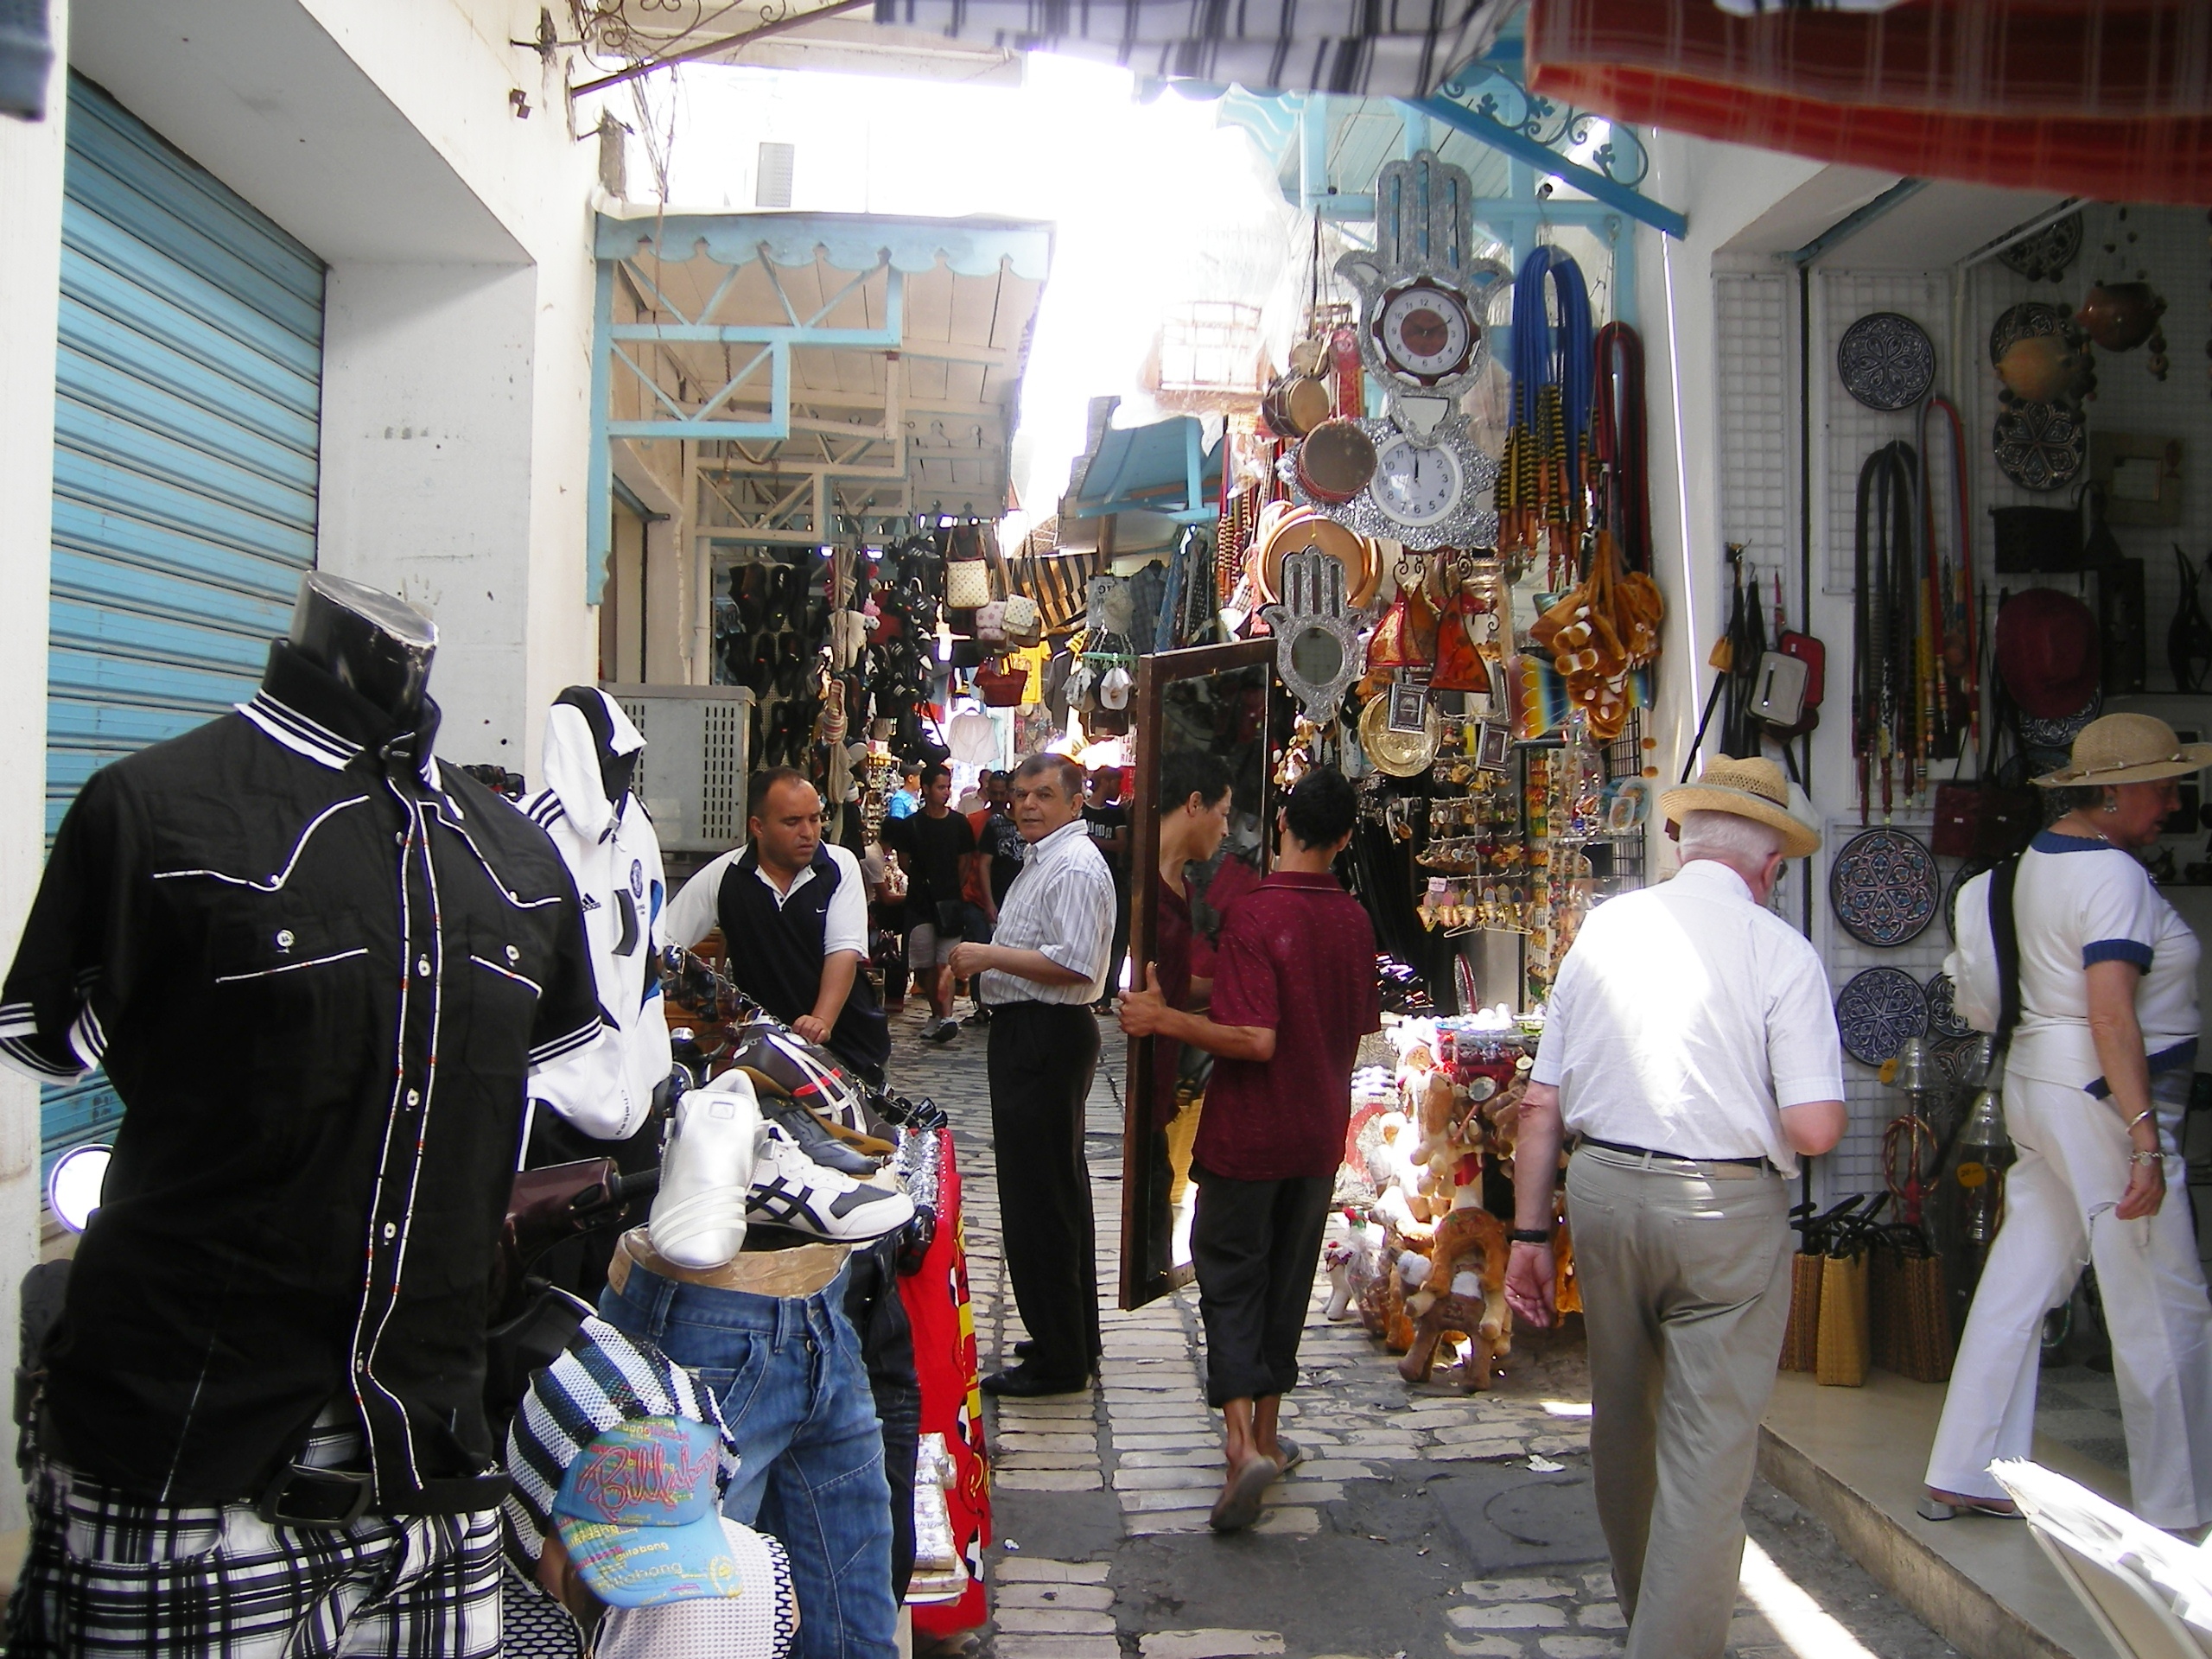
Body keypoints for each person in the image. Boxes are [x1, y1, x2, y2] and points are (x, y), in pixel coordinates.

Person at [1506, 754, 1844, 1659]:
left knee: (1624, 1420)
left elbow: (1540, 1105)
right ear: (1770, 862)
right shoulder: (1781, 952)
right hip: (1724, 1210)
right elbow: (1815, 1128)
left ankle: (1646, 1620)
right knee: (1708, 1451)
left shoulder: (1605, 931)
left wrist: (1529, 1233)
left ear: (1680, 843)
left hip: (1606, 1194)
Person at [1923, 714, 2212, 1531]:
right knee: (2159, 1293)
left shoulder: (2027, 866)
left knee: (2021, 1282)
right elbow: (2111, 1014)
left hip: (2039, 1081)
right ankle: (2180, 1506)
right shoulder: (2111, 876)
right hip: (2099, 1094)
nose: (2173, 804)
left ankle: (1968, 1467)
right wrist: (2145, 1136)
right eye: (2163, 788)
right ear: (2114, 794)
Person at [1118, 766, 1376, 1533]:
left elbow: (1255, 1036)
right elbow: (1339, 1020)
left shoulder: (1257, 912)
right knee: (1288, 1284)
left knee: (1231, 1278)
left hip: (1251, 1133)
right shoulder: (1354, 920)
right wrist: (1187, 997)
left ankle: (1239, 1447)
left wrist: (1163, 1021)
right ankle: (1267, 1435)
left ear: (1285, 822)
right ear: (1345, 839)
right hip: (1318, 1131)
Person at [947, 753, 1116, 1396]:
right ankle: (1067, 1335)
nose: (1028, 805)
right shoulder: (1045, 860)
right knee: (1052, 1192)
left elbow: (1075, 964)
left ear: (1075, 803)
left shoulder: (1072, 865)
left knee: (1040, 1198)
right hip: (1033, 1033)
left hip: (1045, 1034)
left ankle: (1060, 1357)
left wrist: (989, 956)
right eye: (1020, 794)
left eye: (1043, 795)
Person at [664, 767, 890, 1083]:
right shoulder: (725, 875)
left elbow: (843, 950)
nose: (808, 832)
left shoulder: (839, 866)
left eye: (815, 819)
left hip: (849, 1047)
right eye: (792, 822)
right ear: (758, 827)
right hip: (766, 1052)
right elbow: (662, 942)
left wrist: (821, 1020)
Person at [883, 762, 974, 1044]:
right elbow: (905, 862)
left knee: (945, 962)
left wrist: (952, 886)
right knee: (924, 964)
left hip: (949, 902)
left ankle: (946, 1016)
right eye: (940, 787)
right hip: (920, 903)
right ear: (925, 788)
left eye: (948, 787)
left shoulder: (958, 823)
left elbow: (965, 861)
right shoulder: (912, 824)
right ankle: (937, 1014)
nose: (946, 792)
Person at [1084, 766, 1132, 1008]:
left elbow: (1121, 844)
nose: (1119, 788)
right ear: (1104, 782)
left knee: (1115, 937)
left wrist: (1091, 840)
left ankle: (1106, 990)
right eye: (1116, 782)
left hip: (1112, 880)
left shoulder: (1116, 814)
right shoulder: (1081, 811)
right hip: (1085, 882)